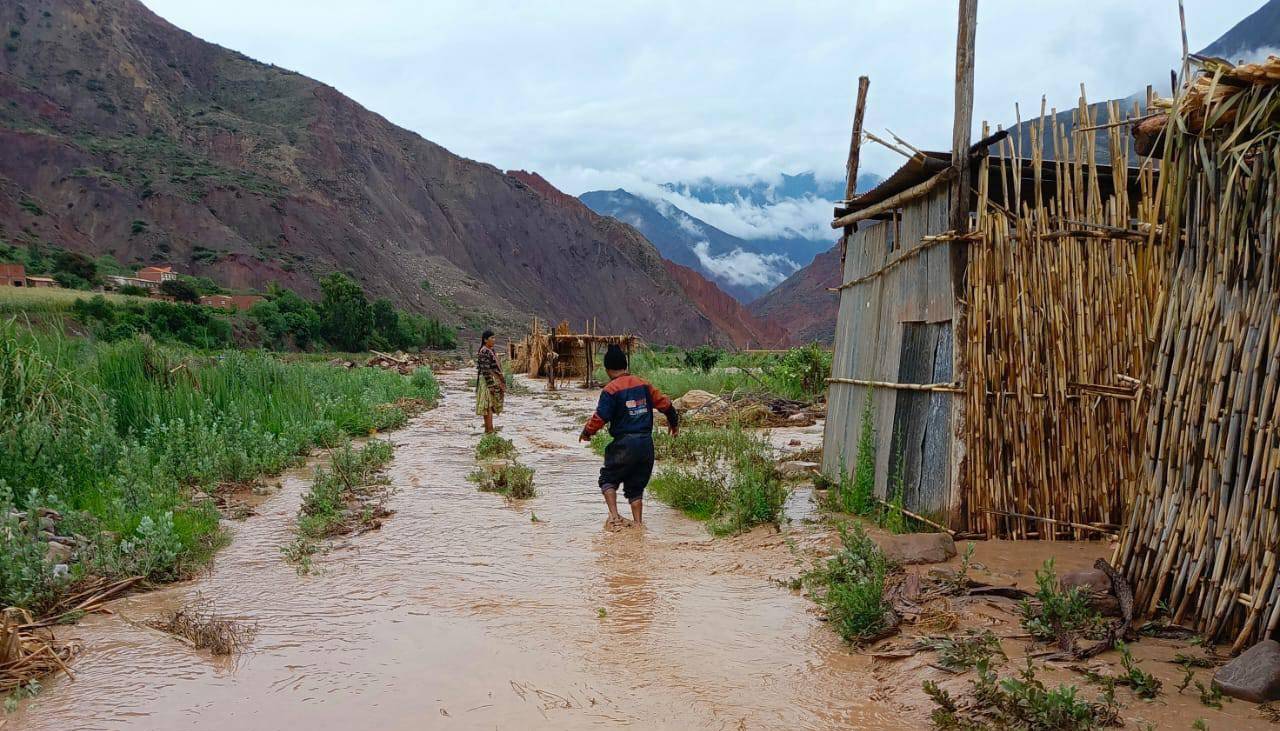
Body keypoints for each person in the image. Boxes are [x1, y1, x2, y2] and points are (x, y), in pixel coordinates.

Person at [578, 344, 678, 528]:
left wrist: (587, 432)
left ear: (608, 369)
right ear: (625, 365)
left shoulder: (610, 390)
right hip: (646, 444)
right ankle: (639, 525)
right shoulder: (644, 384)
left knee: (607, 479)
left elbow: (600, 418)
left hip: (625, 444)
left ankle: (614, 517)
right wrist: (674, 424)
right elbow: (666, 405)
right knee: (636, 487)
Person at [475, 330, 506, 433]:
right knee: (487, 406)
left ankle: (489, 429)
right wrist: (491, 385)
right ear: (485, 340)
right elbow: (485, 370)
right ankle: (489, 430)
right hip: (487, 382)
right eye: (491, 338)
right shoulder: (484, 351)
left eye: (494, 338)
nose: (494, 340)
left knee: (490, 406)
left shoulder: (490, 350)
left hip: (490, 382)